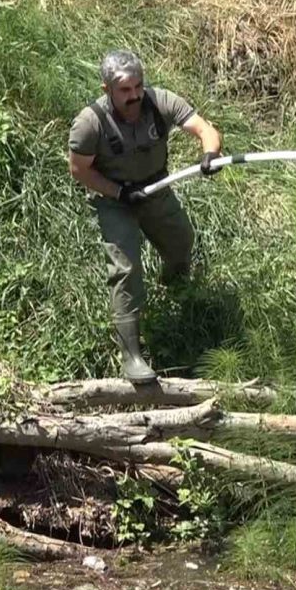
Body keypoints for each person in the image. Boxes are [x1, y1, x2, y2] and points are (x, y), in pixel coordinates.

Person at [68, 50, 222, 383]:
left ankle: (177, 293)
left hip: (156, 189)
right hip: (114, 200)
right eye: (125, 90)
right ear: (107, 89)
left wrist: (209, 153)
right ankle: (131, 355)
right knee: (126, 269)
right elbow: (79, 170)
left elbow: (205, 129)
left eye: (138, 86)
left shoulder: (160, 101)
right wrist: (120, 192)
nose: (134, 95)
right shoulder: (90, 122)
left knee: (182, 241)